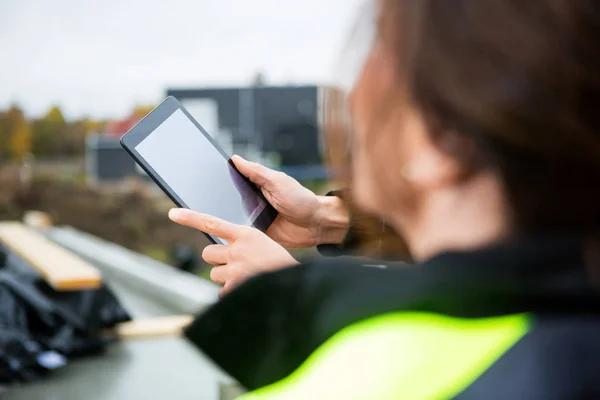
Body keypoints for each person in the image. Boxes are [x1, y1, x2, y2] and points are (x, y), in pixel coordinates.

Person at [171, 0, 600, 398]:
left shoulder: (357, 376)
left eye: (378, 48)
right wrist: (325, 219)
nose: (354, 96)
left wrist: (287, 303)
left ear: (442, 140)